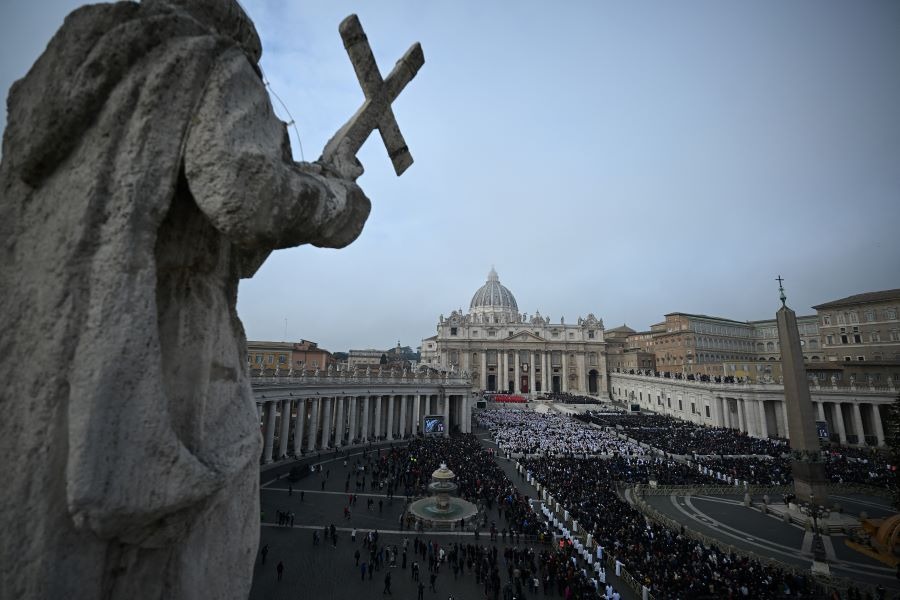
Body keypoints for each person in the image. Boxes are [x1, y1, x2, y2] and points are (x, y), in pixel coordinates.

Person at [0, 0, 373, 597]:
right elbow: (241, 194)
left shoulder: (74, 68)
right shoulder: (211, 61)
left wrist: (310, 168)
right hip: (170, 356)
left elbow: (229, 240)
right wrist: (336, 197)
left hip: (43, 357)